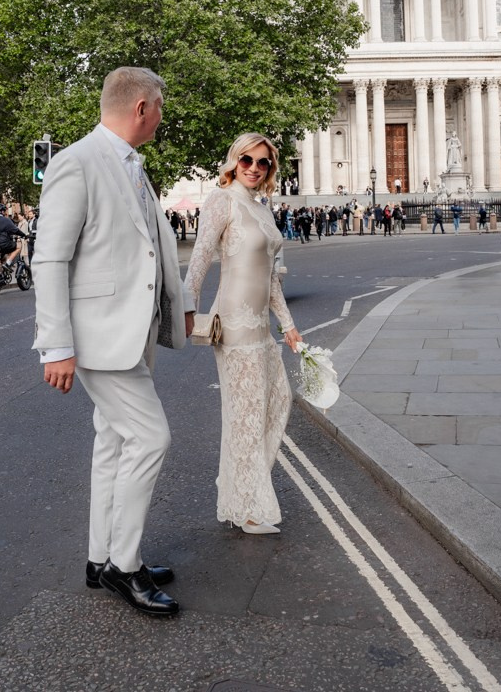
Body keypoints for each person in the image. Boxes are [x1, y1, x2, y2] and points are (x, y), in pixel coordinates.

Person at [33, 66, 194, 617]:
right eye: (161, 110)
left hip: (130, 332)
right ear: (142, 107)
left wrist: (180, 309)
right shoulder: (76, 162)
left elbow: (151, 248)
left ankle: (100, 558)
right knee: (152, 438)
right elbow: (50, 258)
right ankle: (125, 567)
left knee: (114, 443)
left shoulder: (132, 166)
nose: (161, 119)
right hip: (98, 337)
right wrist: (55, 346)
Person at [184, 133, 302, 535]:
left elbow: (270, 280)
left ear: (271, 168)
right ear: (234, 161)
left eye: (263, 162)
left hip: (261, 325)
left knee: (277, 402)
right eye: (247, 160)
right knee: (247, 414)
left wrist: (287, 325)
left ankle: (240, 485)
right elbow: (200, 256)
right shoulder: (222, 200)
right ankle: (247, 507)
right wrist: (187, 309)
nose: (254, 167)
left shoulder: (262, 207)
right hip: (233, 325)